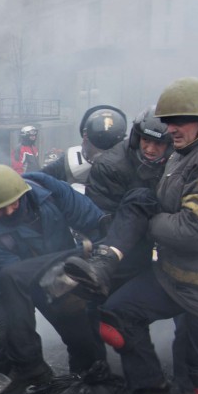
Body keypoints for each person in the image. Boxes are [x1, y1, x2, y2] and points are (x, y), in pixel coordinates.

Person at [95, 78, 198, 394]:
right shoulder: (186, 150)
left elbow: (196, 231)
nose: (169, 128)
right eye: (168, 120)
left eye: (179, 121)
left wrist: (149, 222)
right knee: (117, 317)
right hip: (176, 277)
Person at [0, 165, 108, 394]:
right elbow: (16, 277)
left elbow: (92, 219)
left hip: (58, 274)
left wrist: (100, 256)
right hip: (3, 286)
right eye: (0, 209)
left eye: (13, 203)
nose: (9, 211)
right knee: (7, 338)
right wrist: (78, 253)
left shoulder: (48, 191)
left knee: (82, 337)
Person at [62, 107, 172, 299]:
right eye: (146, 140)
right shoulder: (110, 166)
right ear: (137, 138)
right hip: (120, 249)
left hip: (167, 245)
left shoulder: (178, 163)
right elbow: (104, 222)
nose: (150, 149)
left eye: (158, 143)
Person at [41, 105, 127, 191]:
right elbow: (35, 183)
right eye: (98, 142)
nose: (103, 155)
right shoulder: (69, 163)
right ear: (85, 136)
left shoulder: (130, 164)